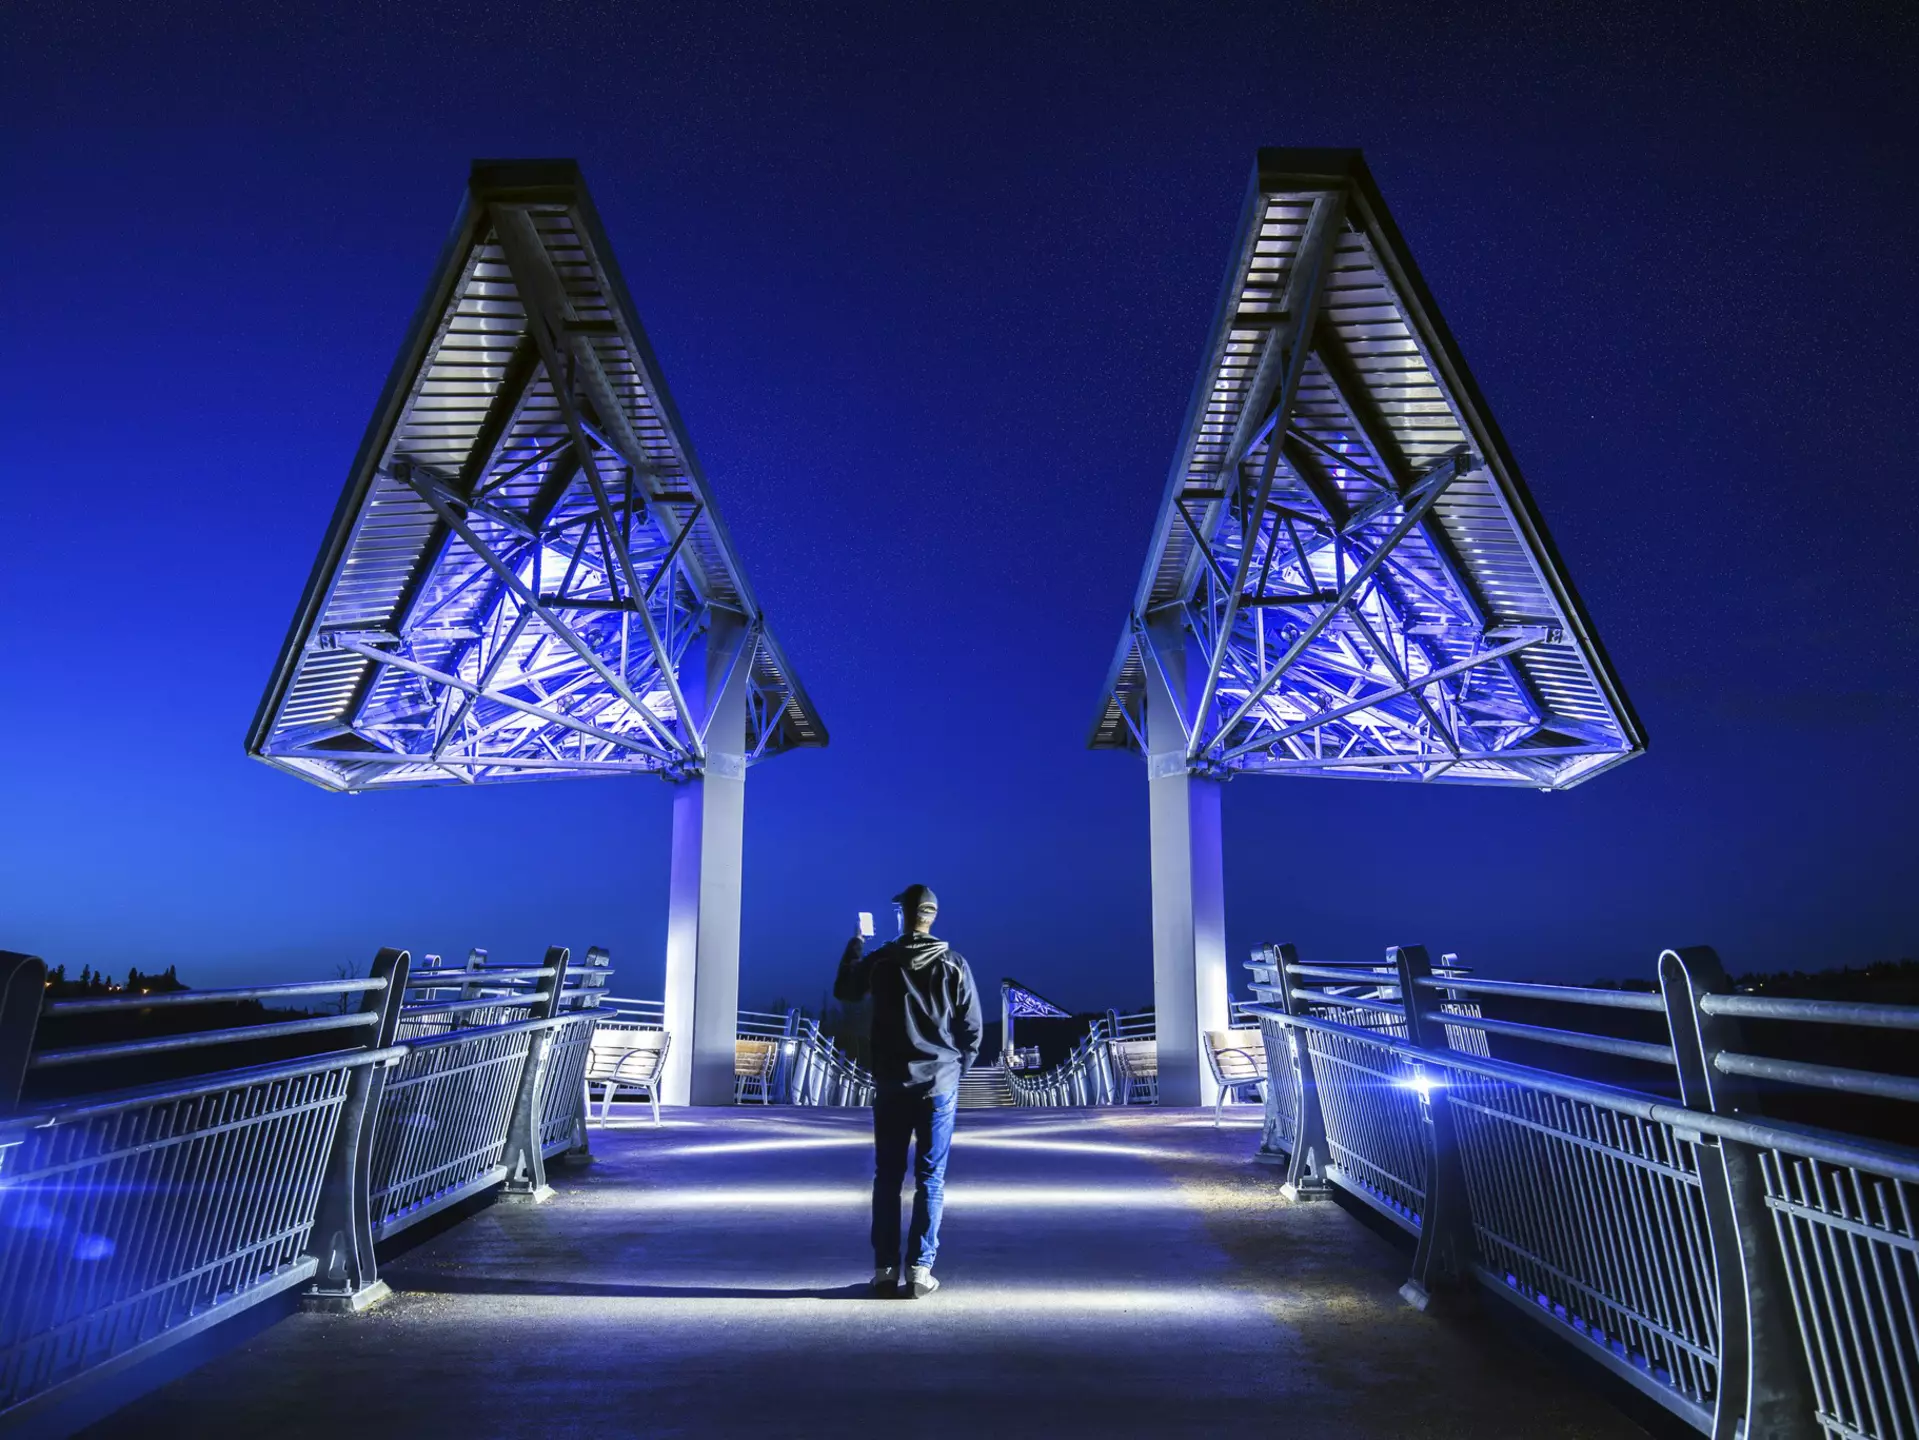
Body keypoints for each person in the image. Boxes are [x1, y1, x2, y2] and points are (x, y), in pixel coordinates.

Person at [833, 883, 982, 1298]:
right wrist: (953, 1072)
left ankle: (884, 1271)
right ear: (932, 916)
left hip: (892, 1084)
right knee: (931, 1177)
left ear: (903, 915)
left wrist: (856, 945)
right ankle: (920, 1269)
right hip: (938, 1084)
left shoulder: (881, 962)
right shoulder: (954, 964)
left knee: (887, 1178)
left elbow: (845, 991)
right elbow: (972, 1030)